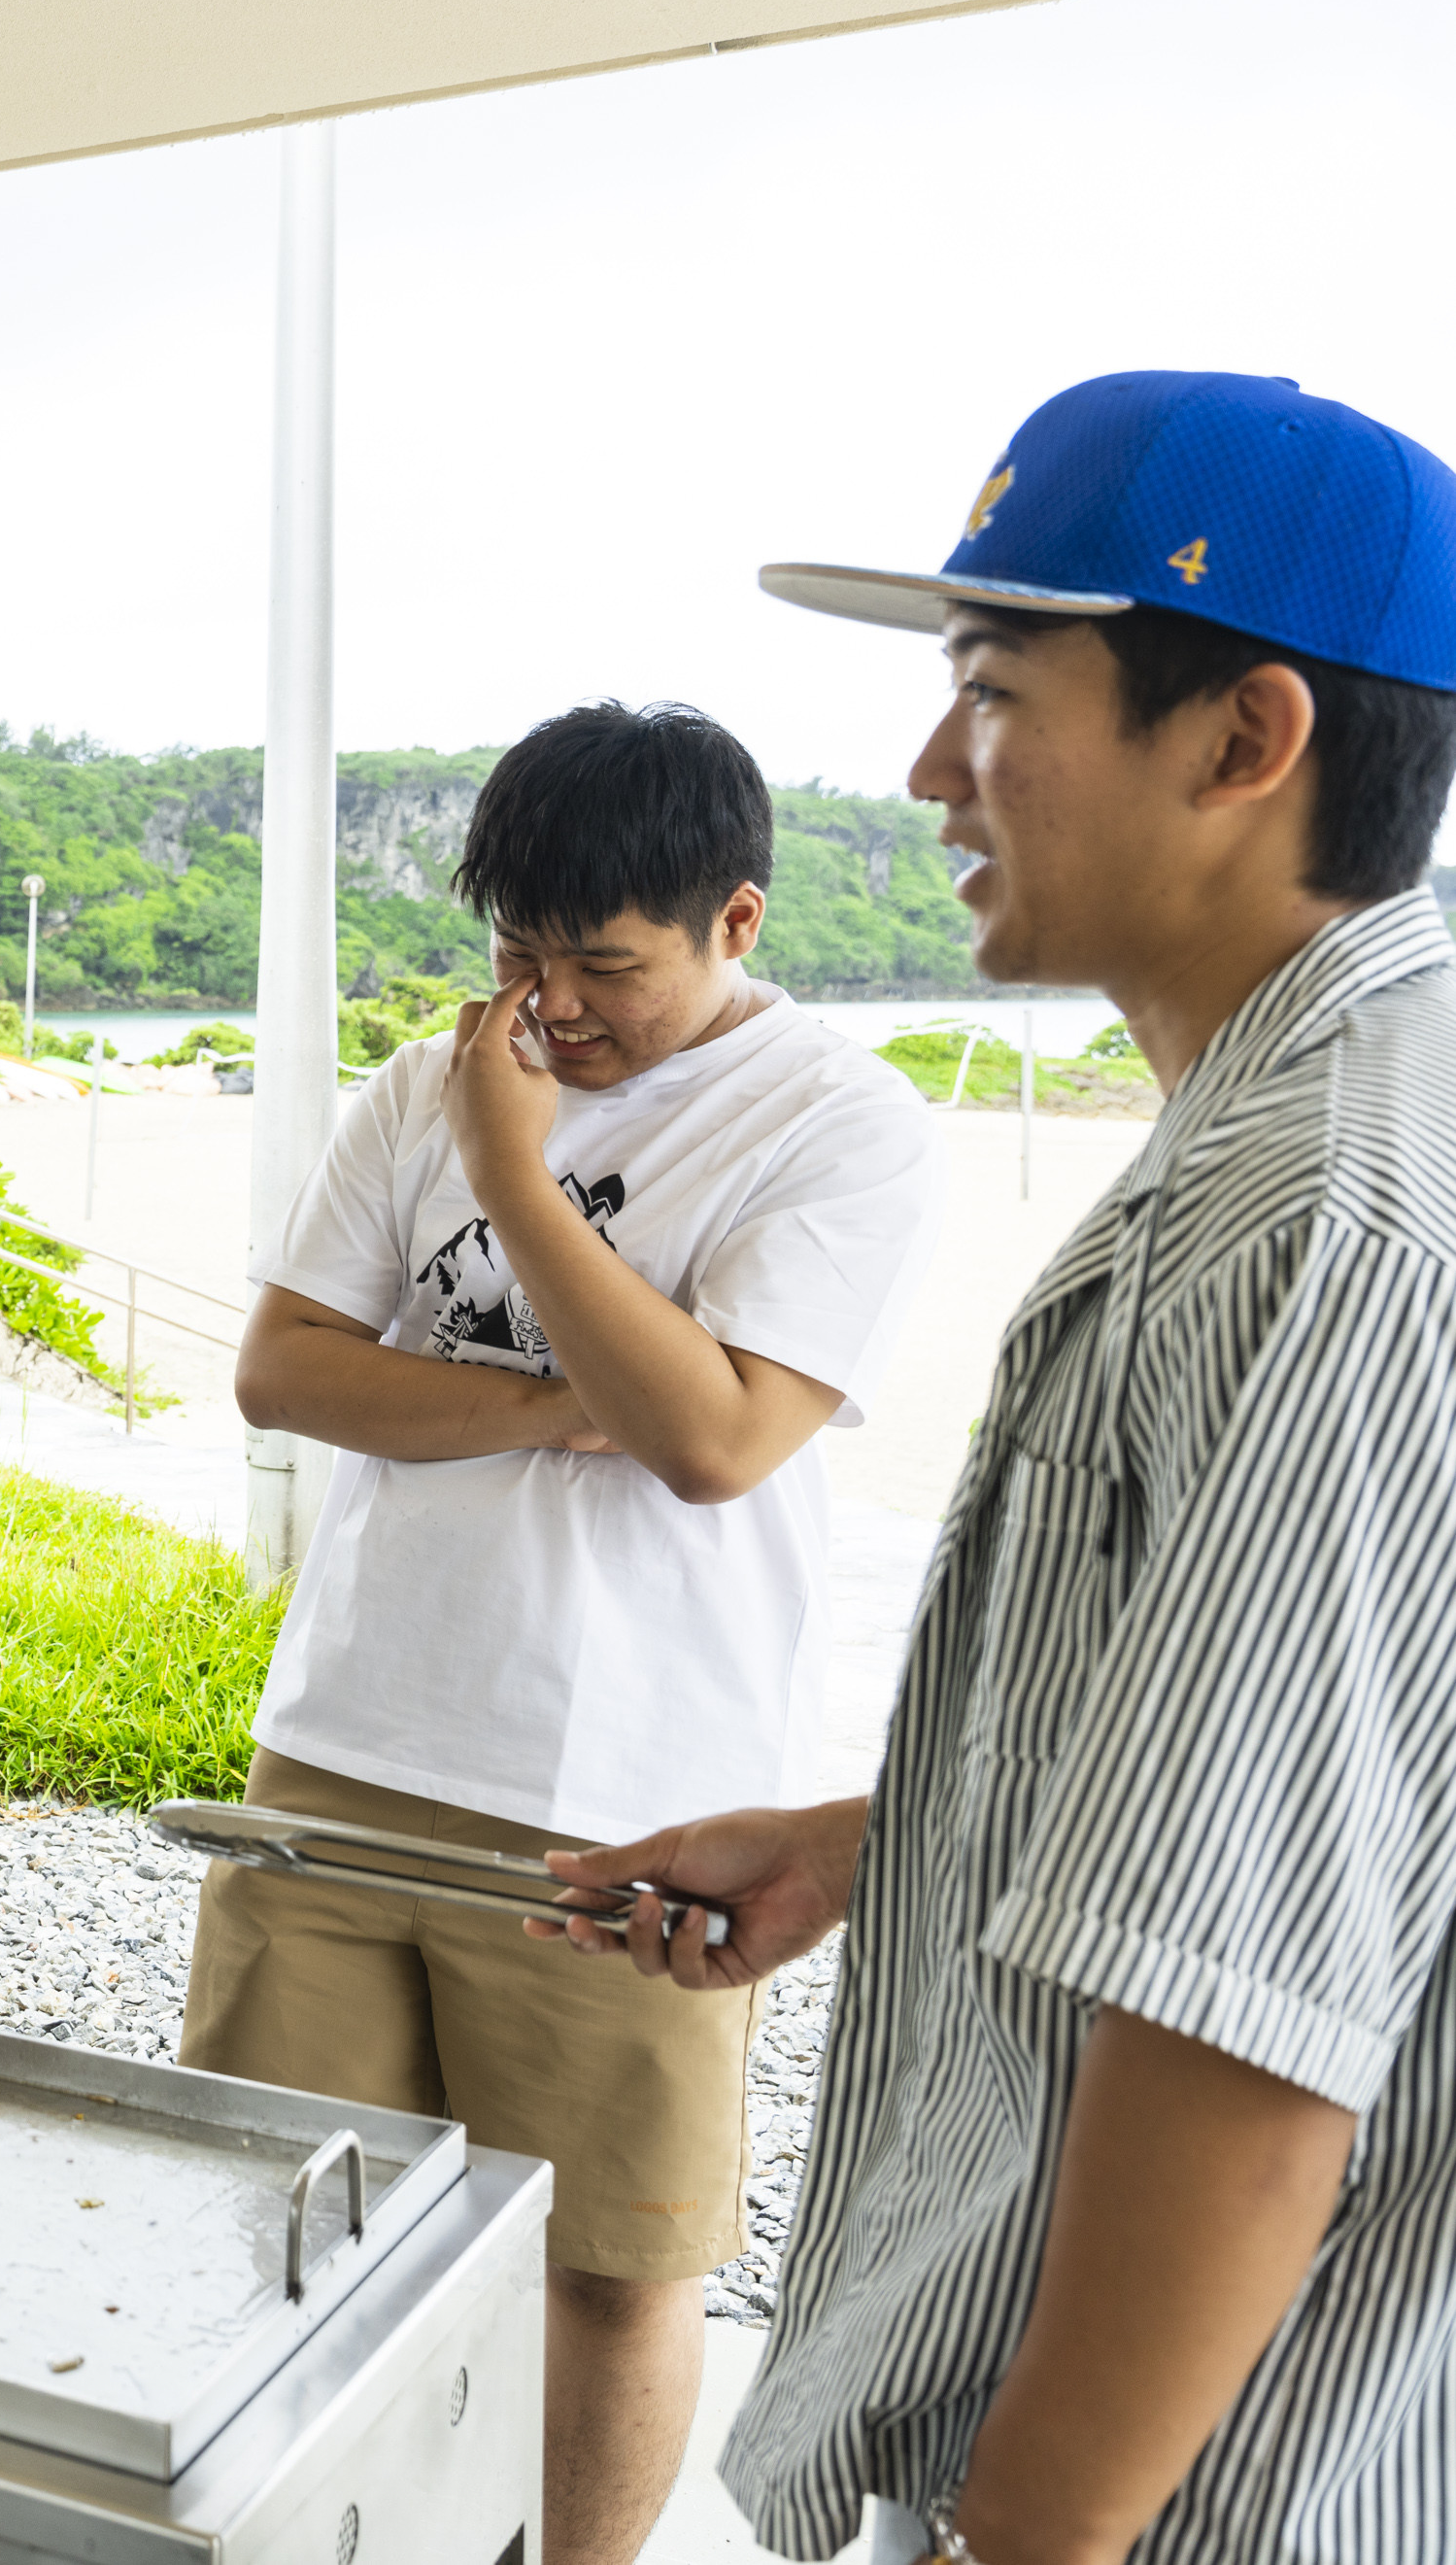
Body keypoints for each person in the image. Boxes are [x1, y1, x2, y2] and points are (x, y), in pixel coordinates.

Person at [548, 372, 1456, 2565]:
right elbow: (1347, 1775)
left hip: (1192, 2499)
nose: (928, 768)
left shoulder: (1325, 1211)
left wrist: (1011, 2546)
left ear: (1246, 740)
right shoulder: (1322, 1113)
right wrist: (900, 1831)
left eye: (987, 690)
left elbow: (1244, 2037)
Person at [210, 701, 946, 2565]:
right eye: (517, 955)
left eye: (604, 964)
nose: (551, 1006)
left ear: (737, 923)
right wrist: (558, 1401)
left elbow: (712, 1436)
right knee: (276, 2223)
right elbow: (281, 1374)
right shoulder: (429, 1075)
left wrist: (518, 1178)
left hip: (629, 1778)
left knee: (616, 2260)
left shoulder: (839, 1118)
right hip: (344, 1736)